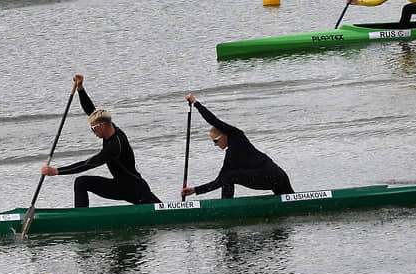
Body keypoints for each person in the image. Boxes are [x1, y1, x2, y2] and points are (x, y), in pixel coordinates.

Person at [40, 74, 160, 207]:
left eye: (93, 129)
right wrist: (80, 88)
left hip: (136, 191)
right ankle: (81, 218)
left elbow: (88, 164)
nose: (93, 132)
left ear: (102, 126)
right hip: (119, 185)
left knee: (162, 209)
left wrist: (57, 171)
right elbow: (91, 110)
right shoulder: (110, 127)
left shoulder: (115, 146)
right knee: (81, 183)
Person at [180, 93, 294, 199]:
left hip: (274, 175)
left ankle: (226, 207)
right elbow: (219, 181)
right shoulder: (229, 157)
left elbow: (213, 120)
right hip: (265, 179)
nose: (215, 145)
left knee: (229, 176)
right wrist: (195, 190)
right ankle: (226, 207)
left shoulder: (237, 136)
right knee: (227, 176)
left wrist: (195, 103)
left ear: (224, 135)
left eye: (215, 141)